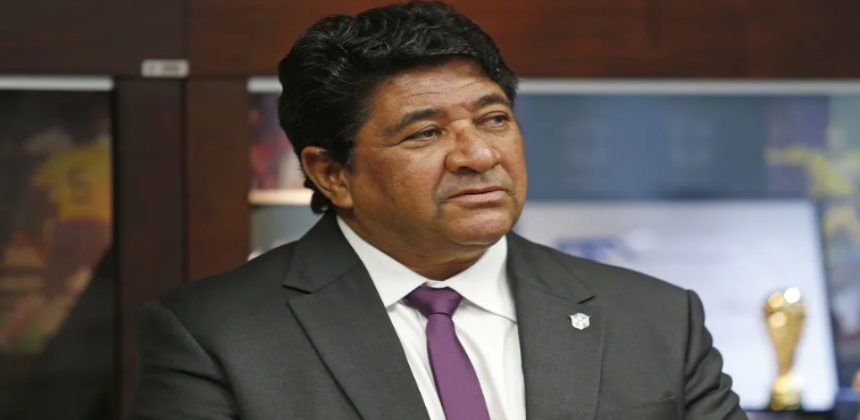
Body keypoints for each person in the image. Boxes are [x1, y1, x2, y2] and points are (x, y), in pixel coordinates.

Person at [129, 1, 746, 419]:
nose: (478, 155)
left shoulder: (655, 318)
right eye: (425, 133)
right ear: (332, 173)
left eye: (494, 119)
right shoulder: (215, 335)